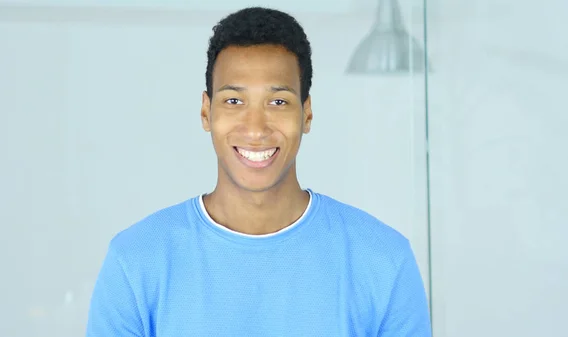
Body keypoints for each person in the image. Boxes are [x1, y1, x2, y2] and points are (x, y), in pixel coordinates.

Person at [86, 6, 432, 337]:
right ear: (206, 113)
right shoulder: (135, 261)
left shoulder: (384, 261)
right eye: (234, 101)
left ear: (306, 114)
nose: (255, 129)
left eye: (278, 101)